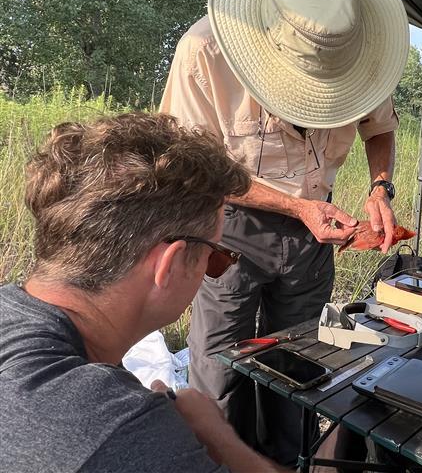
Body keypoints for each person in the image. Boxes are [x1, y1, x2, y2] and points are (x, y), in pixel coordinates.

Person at [160, 0, 409, 464]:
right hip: (228, 227)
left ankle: (284, 462)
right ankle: (226, 462)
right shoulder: (204, 51)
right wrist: (296, 208)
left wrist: (379, 188)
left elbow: (379, 127)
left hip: (317, 234)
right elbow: (191, 166)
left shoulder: (364, 48)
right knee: (221, 364)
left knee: (297, 363)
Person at [0, 112, 291, 473]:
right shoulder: (126, 433)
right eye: (216, 257)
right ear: (169, 265)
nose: (214, 271)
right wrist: (220, 440)